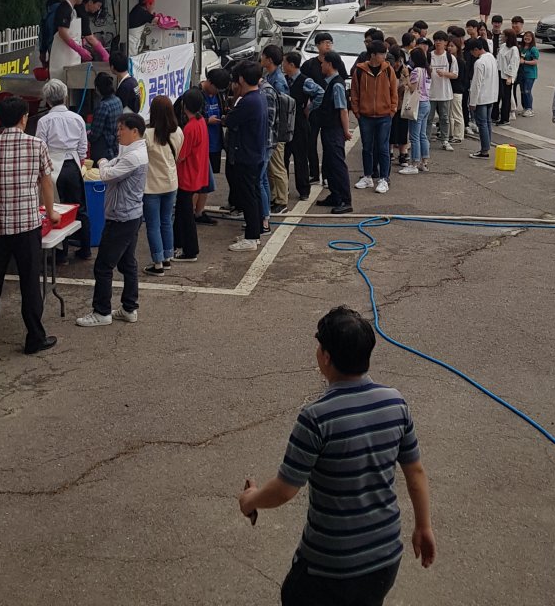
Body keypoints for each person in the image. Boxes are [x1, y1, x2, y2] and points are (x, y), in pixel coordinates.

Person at [238, 305, 435, 605]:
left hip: (329, 567)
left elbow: (285, 490)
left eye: (319, 347)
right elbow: (416, 472)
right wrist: (423, 526)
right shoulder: (396, 403)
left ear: (326, 357)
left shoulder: (316, 418)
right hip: (385, 559)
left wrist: (250, 500)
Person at [0, 96, 57, 355]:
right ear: (23, 119)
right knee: (29, 283)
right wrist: (51, 212)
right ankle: (35, 338)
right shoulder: (37, 145)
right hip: (27, 224)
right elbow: (46, 183)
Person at [76, 113, 148, 327]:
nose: (118, 133)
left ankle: (102, 312)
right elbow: (112, 167)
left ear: (134, 131)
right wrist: (107, 163)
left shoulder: (134, 156)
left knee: (103, 266)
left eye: (121, 129)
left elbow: (107, 175)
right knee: (127, 263)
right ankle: (129, 308)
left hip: (121, 217)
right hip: (130, 214)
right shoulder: (132, 151)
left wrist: (102, 162)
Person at [35, 78, 91, 259]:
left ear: (47, 100)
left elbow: (40, 147)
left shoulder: (44, 121)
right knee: (79, 207)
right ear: (65, 97)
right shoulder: (77, 118)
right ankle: (86, 249)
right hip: (73, 165)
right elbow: (83, 146)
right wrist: (80, 163)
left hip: (52, 167)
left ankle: (61, 254)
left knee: (56, 207)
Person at [225, 63, 268, 251]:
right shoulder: (259, 96)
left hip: (246, 155)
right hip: (256, 153)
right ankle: (254, 231)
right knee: (254, 194)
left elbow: (231, 120)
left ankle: (251, 237)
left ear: (242, 79)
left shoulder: (248, 101)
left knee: (248, 196)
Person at [351, 41, 399, 196]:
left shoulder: (388, 70)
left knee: (383, 147)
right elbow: (354, 92)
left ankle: (384, 178)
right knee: (367, 147)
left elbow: (394, 91)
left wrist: (392, 109)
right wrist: (357, 111)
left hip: (384, 115)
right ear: (373, 55)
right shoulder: (360, 70)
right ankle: (367, 176)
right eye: (382, 54)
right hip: (365, 116)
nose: (384, 56)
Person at [301, 32, 346, 188]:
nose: (328, 45)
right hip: (313, 110)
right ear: (317, 45)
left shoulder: (336, 62)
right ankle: (314, 173)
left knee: (329, 145)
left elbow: (343, 82)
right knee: (310, 142)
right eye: (325, 42)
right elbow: (303, 85)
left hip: (330, 111)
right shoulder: (310, 65)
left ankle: (327, 175)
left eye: (330, 42)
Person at [143, 95, 182, 273]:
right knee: (166, 221)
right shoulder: (178, 132)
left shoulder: (148, 134)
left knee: (153, 224)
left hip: (151, 185)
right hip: (171, 183)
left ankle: (157, 263)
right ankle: (167, 257)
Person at [314, 51, 353, 213]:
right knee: (329, 163)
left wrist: (346, 131)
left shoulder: (336, 85)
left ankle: (345, 200)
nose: (321, 65)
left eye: (323, 63)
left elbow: (342, 109)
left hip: (334, 130)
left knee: (337, 165)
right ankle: (335, 195)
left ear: (329, 64)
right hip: (328, 128)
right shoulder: (330, 82)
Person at [173, 88, 210, 261]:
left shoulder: (189, 128)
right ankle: (178, 243)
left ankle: (190, 249)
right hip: (197, 172)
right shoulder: (200, 121)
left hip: (187, 175)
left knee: (185, 214)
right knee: (182, 211)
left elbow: (181, 155)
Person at [284, 50, 323, 202]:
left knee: (300, 157)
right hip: (285, 123)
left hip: (299, 122)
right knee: (283, 157)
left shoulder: (305, 81)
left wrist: (309, 108)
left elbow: (320, 92)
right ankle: (284, 187)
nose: (283, 65)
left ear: (291, 65)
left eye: (285, 63)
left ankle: (304, 190)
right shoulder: (285, 80)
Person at [261, 44, 291, 217]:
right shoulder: (270, 76)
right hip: (273, 130)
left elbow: (281, 107)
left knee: (277, 166)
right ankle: (274, 197)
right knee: (271, 167)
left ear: (269, 60)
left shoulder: (278, 80)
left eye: (263, 56)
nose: (261, 59)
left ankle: (281, 200)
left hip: (276, 130)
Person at [201, 67, 231, 220]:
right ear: (209, 82)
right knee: (200, 181)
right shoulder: (196, 95)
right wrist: (207, 121)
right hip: (202, 144)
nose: (217, 91)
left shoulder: (218, 95)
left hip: (215, 143)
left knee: (207, 180)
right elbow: (186, 119)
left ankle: (199, 210)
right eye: (216, 88)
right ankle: (195, 211)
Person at [400, 47, 431, 176]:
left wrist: (406, 75)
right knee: (422, 134)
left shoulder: (416, 71)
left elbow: (412, 88)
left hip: (417, 104)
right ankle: (424, 162)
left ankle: (414, 163)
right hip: (426, 102)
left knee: (414, 136)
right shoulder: (427, 70)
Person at [467, 39, 498, 158]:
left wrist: (472, 102)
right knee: (488, 122)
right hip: (491, 95)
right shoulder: (491, 57)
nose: (472, 54)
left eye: (472, 52)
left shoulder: (479, 63)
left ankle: (484, 150)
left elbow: (476, 84)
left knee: (482, 123)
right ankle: (487, 146)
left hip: (481, 97)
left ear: (476, 49)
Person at [428, 30, 457, 151]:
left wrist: (445, 73)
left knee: (445, 118)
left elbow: (455, 75)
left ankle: (445, 140)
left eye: (440, 40)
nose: (438, 43)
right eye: (436, 40)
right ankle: (426, 140)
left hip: (445, 93)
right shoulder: (429, 56)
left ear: (445, 42)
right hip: (430, 93)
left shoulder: (450, 58)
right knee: (428, 118)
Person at [88, 73, 123, 162]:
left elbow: (95, 133)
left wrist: (86, 136)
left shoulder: (103, 106)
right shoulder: (118, 100)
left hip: (104, 150)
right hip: (115, 146)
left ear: (97, 89)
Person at [495, 32, 519, 126]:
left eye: (504, 35)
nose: (502, 37)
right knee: (499, 95)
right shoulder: (503, 46)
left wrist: (510, 76)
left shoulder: (514, 49)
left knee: (506, 98)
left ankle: (505, 118)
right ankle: (496, 115)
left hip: (506, 76)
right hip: (499, 72)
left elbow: (513, 63)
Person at [518, 31, 539, 116]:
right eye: (525, 36)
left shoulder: (533, 49)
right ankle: (525, 108)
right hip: (522, 73)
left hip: (530, 74)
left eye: (529, 36)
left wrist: (524, 62)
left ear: (532, 38)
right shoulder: (522, 48)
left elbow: (535, 61)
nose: (527, 38)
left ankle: (529, 108)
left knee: (527, 91)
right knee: (522, 91)